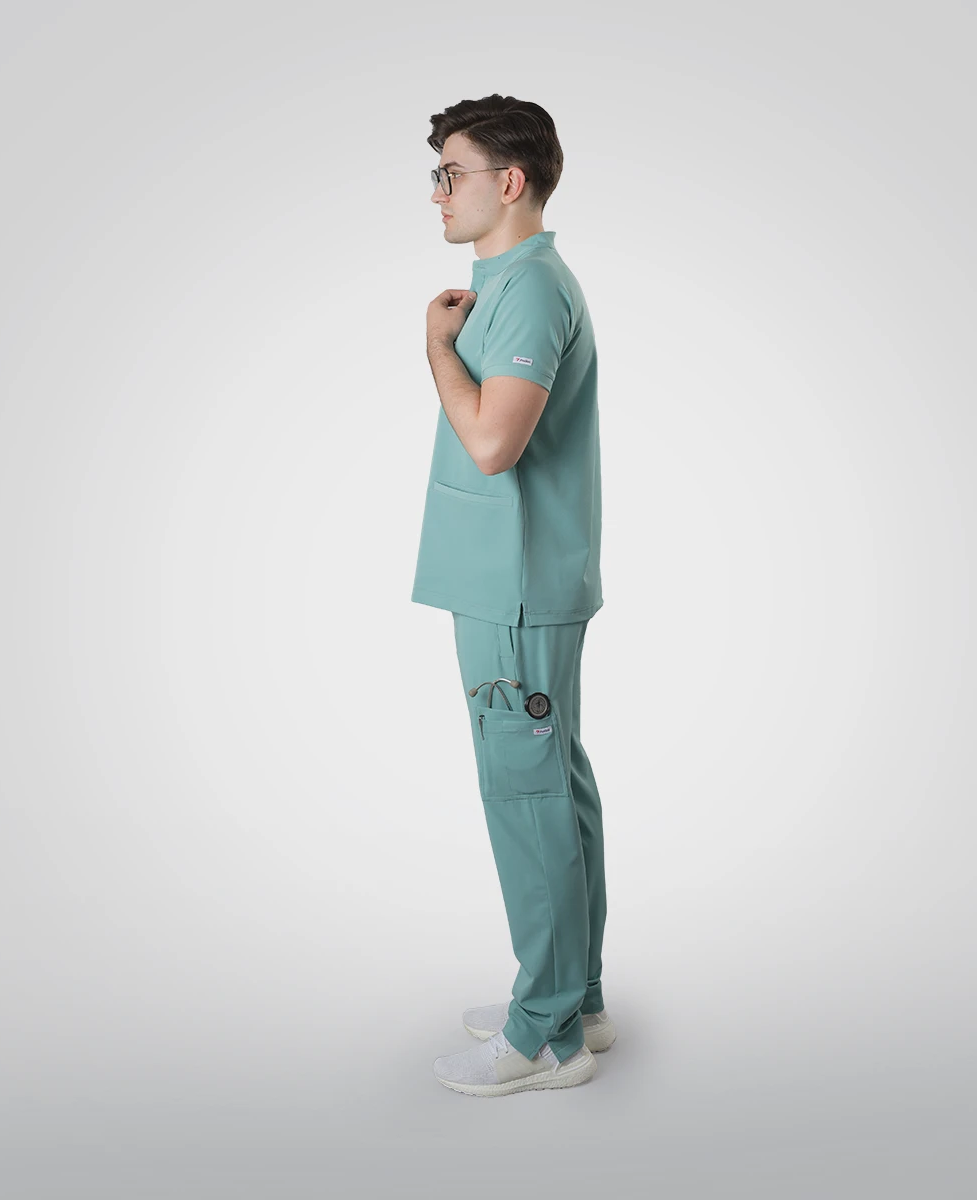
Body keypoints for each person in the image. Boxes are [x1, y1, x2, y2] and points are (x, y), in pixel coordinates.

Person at [412, 94, 616, 1097]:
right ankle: (576, 999)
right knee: (554, 789)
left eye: (452, 173)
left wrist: (436, 351)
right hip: (511, 582)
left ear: (511, 180)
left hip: (518, 592)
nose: (438, 194)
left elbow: (494, 443)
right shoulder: (506, 283)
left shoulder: (530, 290)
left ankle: (545, 1038)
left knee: (529, 800)